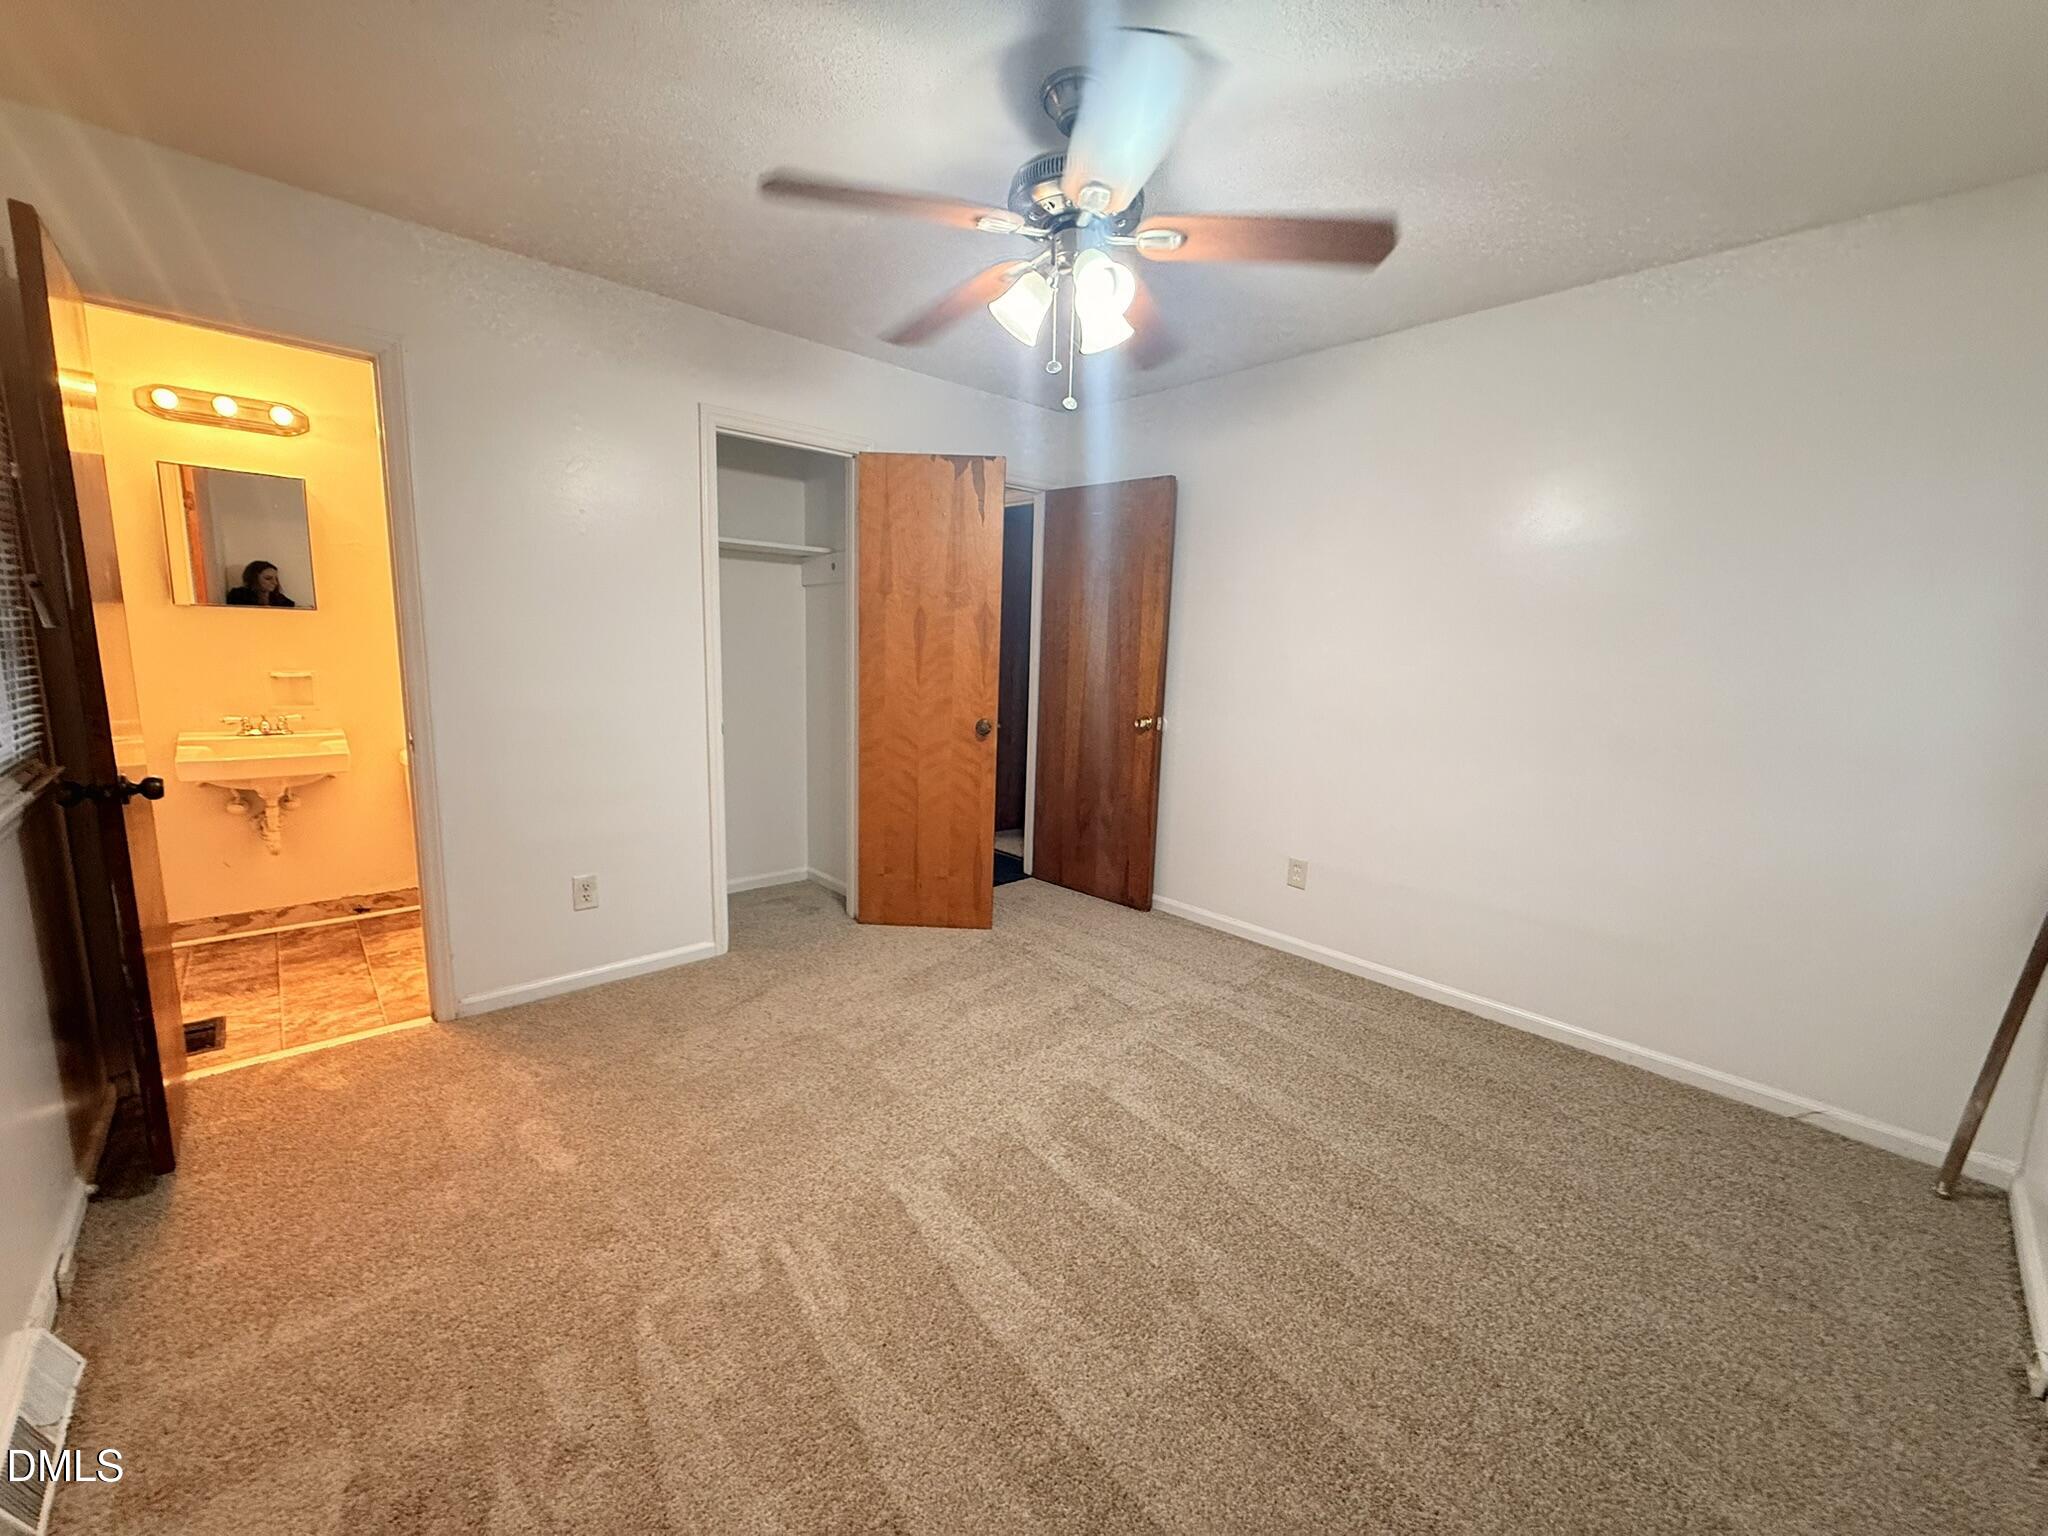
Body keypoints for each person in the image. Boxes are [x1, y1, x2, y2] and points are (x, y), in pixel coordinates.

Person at [225, 560, 296, 608]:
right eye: (268, 578)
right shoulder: (238, 596)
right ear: (253, 578)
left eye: (276, 579)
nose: (275, 583)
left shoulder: (281, 600)